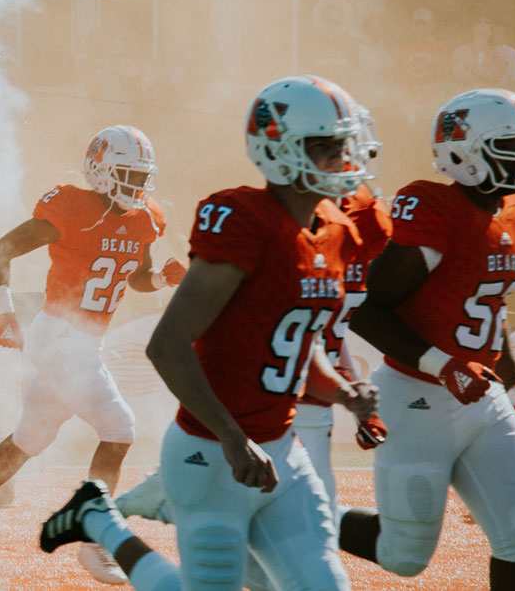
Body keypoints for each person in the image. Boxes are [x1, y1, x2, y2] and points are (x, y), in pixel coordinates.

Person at [39, 75, 381, 591]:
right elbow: (167, 344)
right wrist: (232, 436)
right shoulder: (243, 218)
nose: (342, 160)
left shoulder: (333, 226)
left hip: (281, 452)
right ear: (280, 149)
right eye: (327, 148)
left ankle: (111, 512)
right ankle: (101, 523)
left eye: (344, 146)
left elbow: (295, 343)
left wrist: (342, 391)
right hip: (210, 451)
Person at [337, 88, 515, 591]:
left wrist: (514, 383)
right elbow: (367, 309)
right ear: (465, 151)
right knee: (404, 556)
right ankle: (298, 513)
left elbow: (487, 305)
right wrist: (443, 364)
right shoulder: (434, 207)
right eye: (513, 147)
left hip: (483, 399)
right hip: (418, 396)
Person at [0, 124, 183, 584]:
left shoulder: (146, 218)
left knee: (30, 438)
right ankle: (95, 542)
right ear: (100, 172)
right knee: (120, 426)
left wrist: (162, 278)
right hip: (58, 335)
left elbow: (136, 278)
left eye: (143, 176)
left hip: (87, 340)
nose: (138, 187)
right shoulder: (71, 206)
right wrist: (5, 314)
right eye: (127, 174)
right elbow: (1, 250)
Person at [452, 17, 511, 90]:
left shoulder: (498, 52)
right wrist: (485, 76)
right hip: (467, 98)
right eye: (479, 23)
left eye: (486, 23)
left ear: (490, 33)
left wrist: (473, 69)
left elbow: (496, 75)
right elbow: (459, 76)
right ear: (473, 29)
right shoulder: (460, 51)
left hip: (489, 98)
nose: (482, 25)